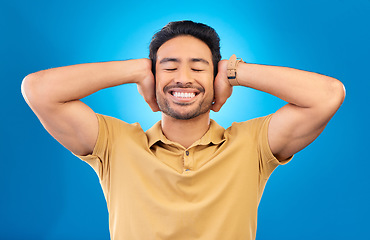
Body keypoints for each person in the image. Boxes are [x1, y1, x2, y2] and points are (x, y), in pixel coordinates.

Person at [21, 20, 345, 240]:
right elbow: (38, 89)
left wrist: (234, 71)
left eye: (199, 67)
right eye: (169, 66)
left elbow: (328, 95)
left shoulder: (253, 145)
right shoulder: (113, 144)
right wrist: (136, 69)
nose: (184, 78)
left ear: (215, 76)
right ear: (154, 76)